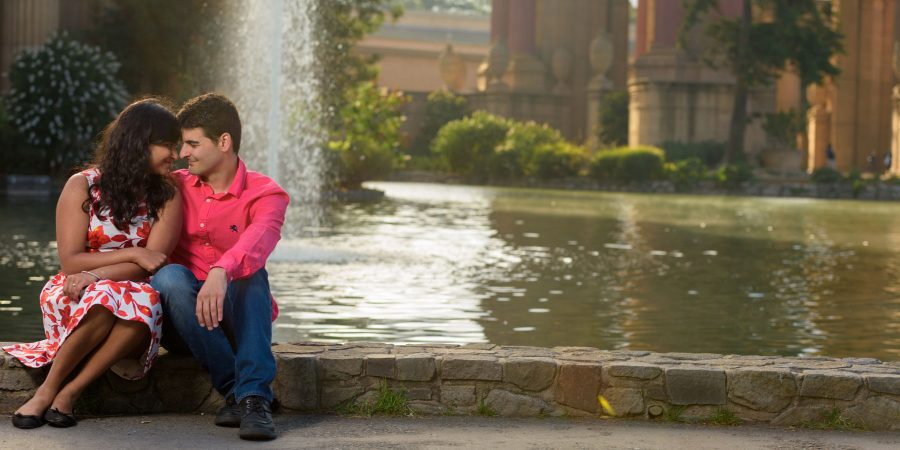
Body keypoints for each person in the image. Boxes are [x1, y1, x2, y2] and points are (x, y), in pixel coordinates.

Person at [4, 99, 182, 429]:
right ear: (140, 142)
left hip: (133, 308)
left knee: (136, 299)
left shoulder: (168, 196)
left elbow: (151, 265)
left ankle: (69, 392)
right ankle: (47, 391)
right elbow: (70, 262)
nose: (176, 155)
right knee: (105, 299)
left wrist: (95, 273)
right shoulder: (82, 185)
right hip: (75, 293)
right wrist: (131, 252)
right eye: (168, 146)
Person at [150, 93, 288, 441]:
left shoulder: (267, 195)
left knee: (250, 274)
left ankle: (252, 399)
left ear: (223, 142)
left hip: (233, 321)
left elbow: (258, 241)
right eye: (183, 144)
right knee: (169, 277)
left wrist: (221, 270)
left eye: (193, 143)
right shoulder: (175, 187)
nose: (183, 153)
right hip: (184, 323)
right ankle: (241, 391)